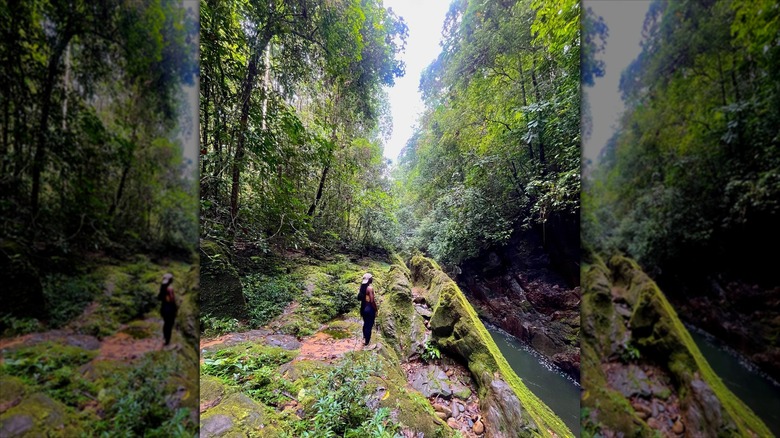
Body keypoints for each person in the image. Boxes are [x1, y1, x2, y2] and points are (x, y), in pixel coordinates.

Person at [358, 272, 378, 348]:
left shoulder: (362, 287)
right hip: (369, 309)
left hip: (363, 308)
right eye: (371, 278)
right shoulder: (370, 288)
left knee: (365, 324)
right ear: (369, 280)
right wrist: (376, 309)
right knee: (369, 326)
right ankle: (367, 342)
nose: (372, 279)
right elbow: (372, 301)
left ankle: (364, 338)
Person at [158, 273, 177, 346]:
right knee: (169, 324)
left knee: (166, 324)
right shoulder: (169, 288)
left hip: (164, 308)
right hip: (170, 309)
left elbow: (159, 297)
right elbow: (172, 300)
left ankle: (165, 339)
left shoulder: (162, 287)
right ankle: (167, 341)